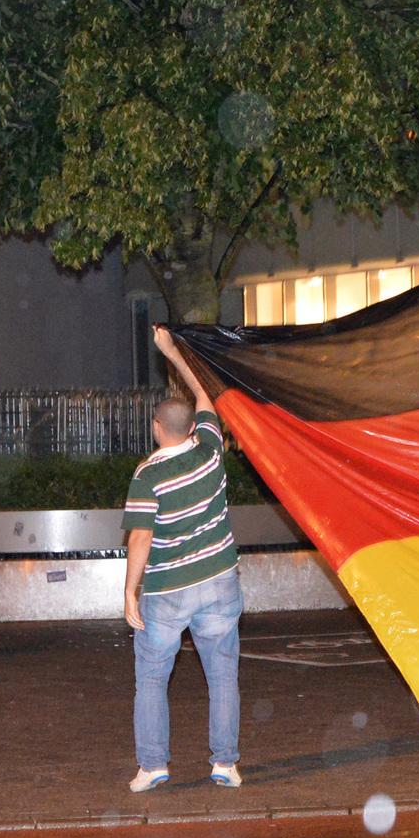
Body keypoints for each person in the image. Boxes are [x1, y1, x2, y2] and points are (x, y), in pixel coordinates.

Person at [123, 326, 243, 793]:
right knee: (223, 674)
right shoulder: (212, 452)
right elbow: (204, 394)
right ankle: (225, 764)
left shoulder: (147, 475)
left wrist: (130, 591)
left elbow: (141, 538)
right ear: (193, 427)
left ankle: (153, 766)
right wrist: (173, 351)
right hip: (218, 582)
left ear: (156, 429)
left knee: (152, 678)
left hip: (168, 591)